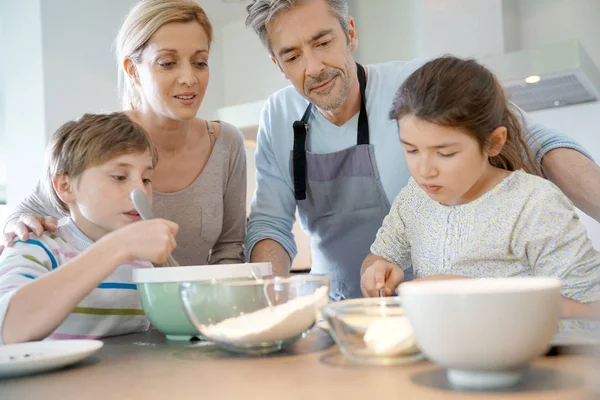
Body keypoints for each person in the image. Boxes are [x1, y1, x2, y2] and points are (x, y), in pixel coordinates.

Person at [244, 0, 600, 301]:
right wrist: (268, 303)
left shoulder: (415, 88)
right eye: (292, 56)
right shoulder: (278, 115)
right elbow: (270, 223)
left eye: (322, 43)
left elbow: (536, 143)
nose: (313, 67)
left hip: (428, 308)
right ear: (278, 65)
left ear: (350, 33)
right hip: (336, 308)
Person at [1, 0, 246, 267]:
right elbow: (28, 212)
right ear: (133, 70)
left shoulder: (226, 143)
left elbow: (230, 247)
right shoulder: (102, 139)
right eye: (167, 63)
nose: (189, 78)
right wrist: (18, 225)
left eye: (200, 62)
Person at [359, 56, 600, 319]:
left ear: (494, 142)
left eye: (446, 153)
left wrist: (475, 293)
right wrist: (376, 270)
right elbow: (378, 258)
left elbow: (590, 309)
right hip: (437, 355)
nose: (425, 170)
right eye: (411, 150)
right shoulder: (414, 199)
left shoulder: (533, 204)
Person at [0, 113, 178, 344]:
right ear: (66, 186)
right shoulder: (35, 246)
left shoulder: (141, 262)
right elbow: (8, 328)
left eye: (146, 179)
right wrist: (117, 247)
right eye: (119, 176)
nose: (140, 192)